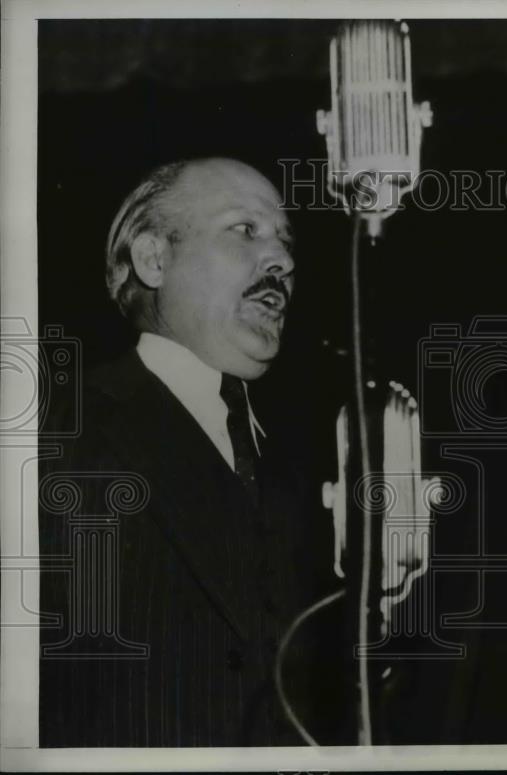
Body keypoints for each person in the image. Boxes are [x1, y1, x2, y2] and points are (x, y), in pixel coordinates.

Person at [39, 158, 336, 746]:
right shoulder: (55, 434)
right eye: (245, 230)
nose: (283, 260)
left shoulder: (302, 467)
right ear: (154, 260)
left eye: (285, 240)